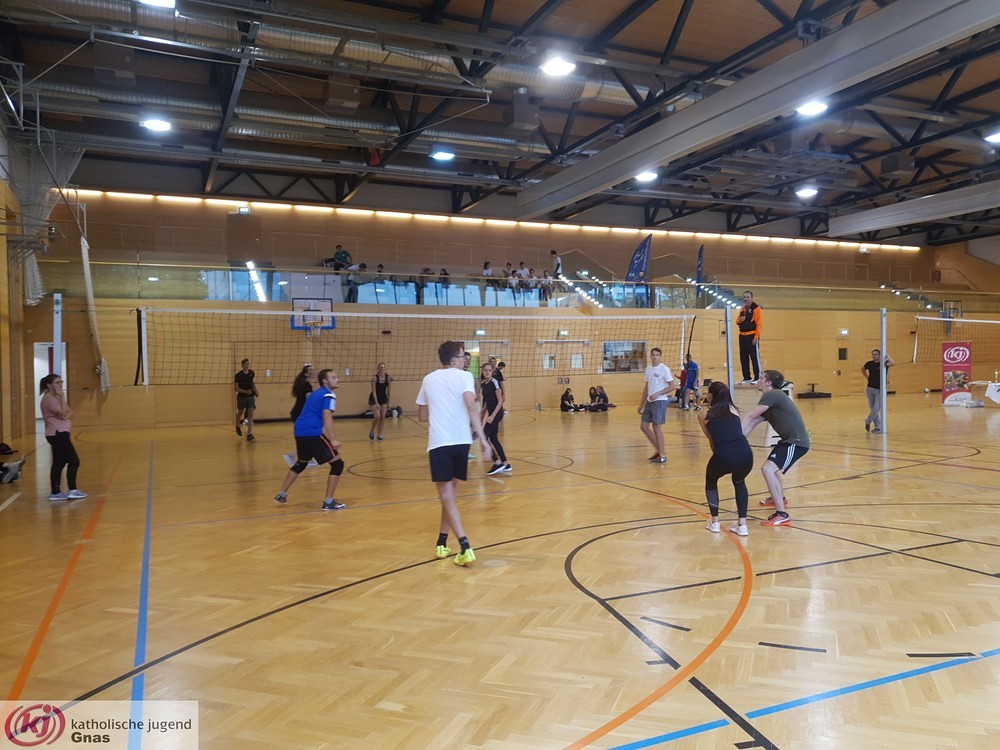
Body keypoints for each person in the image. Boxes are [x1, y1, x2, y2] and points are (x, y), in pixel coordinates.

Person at [416, 341, 492, 566]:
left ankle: (465, 546)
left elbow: (422, 416)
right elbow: (471, 406)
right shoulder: (465, 377)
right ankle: (441, 543)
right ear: (453, 360)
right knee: (449, 497)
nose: (465, 360)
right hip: (461, 443)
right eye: (462, 356)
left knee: (447, 496)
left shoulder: (428, 379)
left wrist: (440, 408)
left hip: (440, 443)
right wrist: (483, 439)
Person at [742, 370, 810, 526]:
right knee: (771, 469)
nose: (758, 380)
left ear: (768, 383)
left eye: (761, 378)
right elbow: (753, 422)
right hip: (788, 441)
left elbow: (751, 416)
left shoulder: (773, 394)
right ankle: (778, 498)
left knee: (768, 469)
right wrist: (739, 439)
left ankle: (782, 514)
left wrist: (734, 437)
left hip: (796, 442)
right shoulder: (771, 398)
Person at [274, 369, 347, 510]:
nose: (337, 379)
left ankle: (281, 494)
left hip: (299, 431)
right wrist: (332, 439)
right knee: (338, 464)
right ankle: (328, 502)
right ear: (325, 381)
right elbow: (327, 416)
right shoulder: (328, 394)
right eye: (333, 377)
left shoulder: (315, 394)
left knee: (301, 463)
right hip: (312, 432)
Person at [698, 382, 753, 537]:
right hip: (745, 454)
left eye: (707, 392)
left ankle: (715, 522)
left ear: (712, 395)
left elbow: (712, 440)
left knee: (711, 480)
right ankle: (742, 525)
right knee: (739, 482)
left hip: (724, 455)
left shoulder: (704, 415)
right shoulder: (734, 410)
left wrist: (720, 458)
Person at [39, 374, 87, 501]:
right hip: (58, 433)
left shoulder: (55, 397)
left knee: (59, 463)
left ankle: (55, 492)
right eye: (57, 382)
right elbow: (64, 414)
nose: (60, 384)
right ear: (49, 385)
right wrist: (63, 397)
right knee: (74, 461)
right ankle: (73, 490)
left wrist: (62, 402)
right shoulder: (50, 399)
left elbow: (69, 412)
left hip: (58, 433)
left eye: (61, 381)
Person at [638, 347, 675, 463]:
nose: (655, 357)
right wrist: (641, 404)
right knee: (644, 426)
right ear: (650, 356)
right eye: (653, 355)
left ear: (660, 356)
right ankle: (659, 451)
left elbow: (672, 386)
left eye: (657, 355)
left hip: (659, 401)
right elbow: (646, 388)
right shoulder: (648, 369)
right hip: (649, 401)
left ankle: (662, 455)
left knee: (656, 427)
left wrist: (658, 393)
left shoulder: (664, 369)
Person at [480, 363, 511, 476]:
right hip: (491, 414)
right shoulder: (483, 384)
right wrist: (481, 415)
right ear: (482, 372)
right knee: (493, 438)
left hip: (497, 413)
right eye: (485, 370)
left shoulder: (494, 382)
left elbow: (500, 401)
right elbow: (486, 403)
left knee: (483, 437)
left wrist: (492, 415)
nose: (487, 372)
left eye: (489, 370)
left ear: (492, 372)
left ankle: (497, 462)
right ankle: (506, 463)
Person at [862, 349, 894, 433]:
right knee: (872, 408)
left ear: (880, 355)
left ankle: (868, 421)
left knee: (876, 408)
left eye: (876, 354)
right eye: (873, 354)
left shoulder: (884, 363)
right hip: (870, 389)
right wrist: (867, 377)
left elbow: (892, 363)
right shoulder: (869, 363)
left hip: (880, 389)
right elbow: (862, 369)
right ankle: (878, 427)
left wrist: (886, 354)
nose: (874, 356)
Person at [736, 290, 763, 383]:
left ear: (751, 298)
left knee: (754, 357)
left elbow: (759, 324)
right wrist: (741, 319)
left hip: (752, 335)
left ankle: (757, 377)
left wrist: (756, 337)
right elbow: (737, 322)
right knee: (743, 357)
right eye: (744, 297)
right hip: (742, 336)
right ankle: (747, 377)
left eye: (748, 297)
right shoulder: (742, 309)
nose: (746, 299)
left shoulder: (756, 308)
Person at [234, 358, 258, 441]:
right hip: (241, 397)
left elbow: (252, 383)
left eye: (248, 364)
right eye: (245, 364)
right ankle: (237, 425)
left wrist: (256, 390)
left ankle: (249, 434)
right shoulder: (238, 375)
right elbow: (236, 388)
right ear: (242, 365)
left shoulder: (251, 373)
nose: (247, 366)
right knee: (240, 412)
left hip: (251, 396)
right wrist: (245, 391)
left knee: (250, 413)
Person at [368, 362, 393, 440]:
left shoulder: (388, 378)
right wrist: (376, 403)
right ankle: (372, 430)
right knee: (377, 416)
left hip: (383, 399)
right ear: (378, 369)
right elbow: (373, 391)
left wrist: (389, 402)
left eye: (384, 367)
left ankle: (379, 434)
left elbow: (389, 391)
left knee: (382, 417)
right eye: (381, 367)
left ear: (385, 369)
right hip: (374, 398)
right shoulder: (374, 378)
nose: (382, 369)